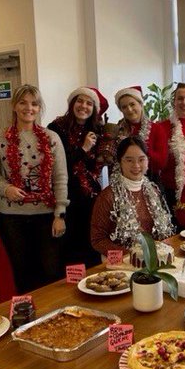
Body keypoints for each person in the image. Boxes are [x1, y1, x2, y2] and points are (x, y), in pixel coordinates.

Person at [0, 85, 68, 292]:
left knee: (51, 273)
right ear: (14, 106)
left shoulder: (51, 138)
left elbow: (60, 177)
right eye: (23, 102)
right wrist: (5, 188)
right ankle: (31, 321)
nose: (28, 108)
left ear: (39, 107)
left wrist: (60, 214)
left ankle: (52, 318)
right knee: (23, 274)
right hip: (12, 217)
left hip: (46, 215)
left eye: (34, 103)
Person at [47, 86, 111, 267]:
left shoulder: (98, 130)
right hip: (66, 196)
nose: (84, 106)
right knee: (68, 248)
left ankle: (92, 285)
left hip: (90, 197)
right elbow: (57, 165)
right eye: (80, 101)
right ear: (72, 103)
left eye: (89, 103)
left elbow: (97, 166)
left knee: (90, 245)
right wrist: (83, 149)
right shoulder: (56, 128)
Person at [90, 137, 177, 257]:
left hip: (154, 259)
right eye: (129, 160)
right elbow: (98, 240)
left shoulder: (154, 191)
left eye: (141, 160)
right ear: (120, 162)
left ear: (148, 161)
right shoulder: (108, 196)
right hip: (122, 262)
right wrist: (133, 255)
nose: (136, 165)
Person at [112, 84, 169, 180]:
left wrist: (138, 147)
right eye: (124, 107)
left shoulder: (156, 129)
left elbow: (161, 163)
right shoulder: (117, 130)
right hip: (122, 182)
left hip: (150, 181)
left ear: (141, 104)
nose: (129, 110)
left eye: (132, 104)